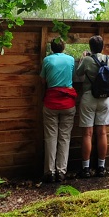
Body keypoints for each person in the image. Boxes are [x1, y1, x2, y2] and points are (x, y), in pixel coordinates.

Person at [73, 35, 109, 178]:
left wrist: (83, 58)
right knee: (102, 132)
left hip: (89, 97)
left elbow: (78, 73)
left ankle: (85, 169)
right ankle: (101, 167)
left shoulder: (87, 60)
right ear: (102, 47)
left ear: (90, 47)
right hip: (105, 99)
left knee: (87, 133)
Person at [40, 37, 76, 183]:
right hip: (68, 103)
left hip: (51, 103)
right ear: (64, 47)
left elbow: (43, 80)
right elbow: (73, 76)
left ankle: (50, 172)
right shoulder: (71, 59)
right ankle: (61, 171)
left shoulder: (47, 60)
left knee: (50, 137)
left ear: (51, 48)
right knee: (64, 137)